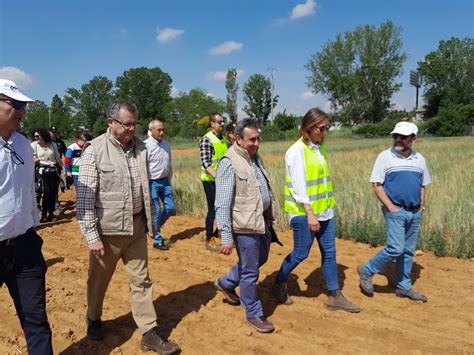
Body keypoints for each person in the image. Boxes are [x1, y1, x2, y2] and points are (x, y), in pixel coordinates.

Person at [76, 101, 180, 353]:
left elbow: (146, 191)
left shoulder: (141, 149)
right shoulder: (95, 151)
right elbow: (85, 199)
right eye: (127, 124)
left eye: (135, 124)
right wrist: (91, 235)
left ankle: (149, 332)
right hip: (107, 232)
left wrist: (152, 224)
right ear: (111, 122)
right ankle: (93, 318)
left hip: (136, 228)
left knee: (141, 281)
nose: (132, 129)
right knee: (98, 281)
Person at [272, 108, 360, 313]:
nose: (325, 132)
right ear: (308, 128)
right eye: (321, 128)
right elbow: (298, 185)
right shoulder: (295, 151)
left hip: (325, 210)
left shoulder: (318, 148)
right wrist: (310, 213)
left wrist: (326, 208)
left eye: (326, 128)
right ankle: (279, 282)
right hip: (305, 213)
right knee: (301, 253)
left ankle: (334, 295)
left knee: (329, 252)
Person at [0, 79, 53, 354]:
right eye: (16, 104)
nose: (22, 111)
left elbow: (27, 192)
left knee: (36, 320)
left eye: (24, 106)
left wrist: (33, 225)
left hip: (25, 248)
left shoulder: (22, 144)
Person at [214, 118, 278, 333]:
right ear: (238, 139)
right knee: (250, 272)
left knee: (262, 258)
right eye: (252, 139)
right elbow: (222, 203)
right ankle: (253, 313)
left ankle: (227, 282)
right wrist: (226, 236)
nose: (256, 143)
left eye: (258, 139)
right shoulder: (228, 162)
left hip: (261, 221)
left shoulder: (255, 158)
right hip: (244, 226)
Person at [358, 121, 431, 302]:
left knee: (407, 251)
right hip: (396, 211)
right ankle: (367, 270)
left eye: (403, 137)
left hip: (414, 212)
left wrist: (421, 206)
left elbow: (423, 184)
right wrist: (392, 208)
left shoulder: (419, 159)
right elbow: (376, 185)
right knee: (395, 248)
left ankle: (403, 287)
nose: (398, 140)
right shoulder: (385, 157)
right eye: (395, 136)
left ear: (413, 139)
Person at [145, 119, 176, 251]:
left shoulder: (166, 145)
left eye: (163, 129)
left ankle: (153, 227)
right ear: (151, 130)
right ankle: (157, 240)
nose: (162, 132)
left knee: (170, 208)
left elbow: (169, 164)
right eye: (159, 130)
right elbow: (144, 167)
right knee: (156, 211)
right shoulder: (145, 146)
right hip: (152, 182)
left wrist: (169, 180)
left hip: (165, 181)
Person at [199, 112, 227, 251]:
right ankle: (209, 239)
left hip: (221, 180)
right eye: (220, 122)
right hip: (210, 180)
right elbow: (206, 163)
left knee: (224, 207)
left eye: (223, 121)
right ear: (212, 124)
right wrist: (218, 177)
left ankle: (219, 233)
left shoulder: (223, 139)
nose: (222, 124)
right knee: (213, 210)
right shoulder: (206, 139)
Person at [31, 127, 63, 223]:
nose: (35, 138)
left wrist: (64, 170)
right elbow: (32, 160)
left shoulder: (52, 145)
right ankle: (44, 214)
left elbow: (57, 158)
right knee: (46, 193)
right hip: (42, 172)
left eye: (37, 136)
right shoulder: (34, 145)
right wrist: (41, 159)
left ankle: (51, 214)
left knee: (53, 193)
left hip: (53, 171)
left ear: (43, 135)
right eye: (34, 136)